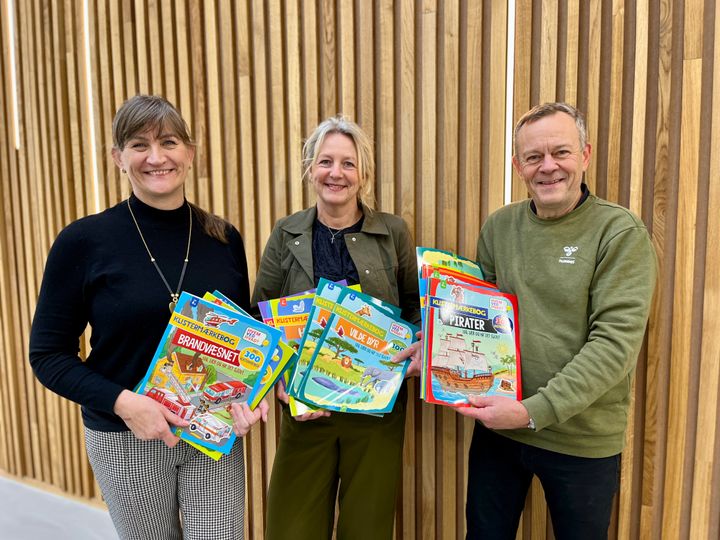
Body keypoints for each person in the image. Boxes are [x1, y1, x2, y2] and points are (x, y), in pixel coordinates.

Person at [395, 102, 657, 539]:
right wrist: (440, 348)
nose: (548, 167)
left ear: (585, 155)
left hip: (581, 441)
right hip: (500, 431)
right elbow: (480, 317)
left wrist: (532, 412)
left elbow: (613, 348)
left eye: (561, 152)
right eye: (534, 157)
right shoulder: (500, 227)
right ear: (518, 166)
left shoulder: (620, 233)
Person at [29, 94, 268, 540]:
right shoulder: (83, 241)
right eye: (139, 145)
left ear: (189, 153)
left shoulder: (223, 238)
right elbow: (48, 356)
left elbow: (241, 341)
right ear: (118, 158)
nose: (156, 157)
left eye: (169, 142)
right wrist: (127, 404)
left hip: (210, 436)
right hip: (126, 436)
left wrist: (248, 395)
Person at [253, 115, 420, 540]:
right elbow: (260, 317)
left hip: (375, 409)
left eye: (348, 163)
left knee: (366, 528)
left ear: (363, 172)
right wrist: (276, 379)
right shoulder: (286, 233)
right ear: (310, 169)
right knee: (289, 528)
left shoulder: (393, 232)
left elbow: (415, 310)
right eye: (325, 161)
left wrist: (414, 352)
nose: (336, 173)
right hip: (307, 407)